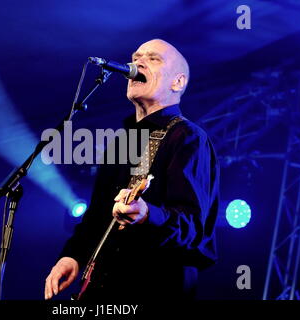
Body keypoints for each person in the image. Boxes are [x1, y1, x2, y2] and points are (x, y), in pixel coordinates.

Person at [44, 39, 220, 300]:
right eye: (136, 57)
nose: (137, 63)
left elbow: (193, 227)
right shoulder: (121, 142)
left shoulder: (187, 137)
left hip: (156, 286)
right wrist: (72, 256)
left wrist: (148, 214)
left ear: (178, 82)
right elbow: (96, 215)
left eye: (153, 58)